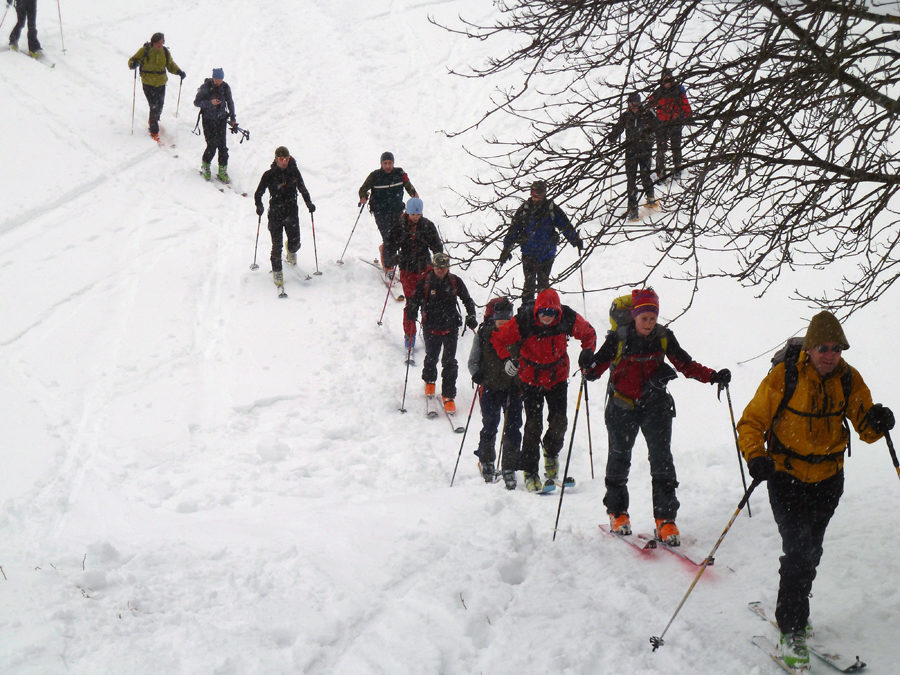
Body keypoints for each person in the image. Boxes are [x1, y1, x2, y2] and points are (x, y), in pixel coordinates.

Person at [737, 310, 894, 671]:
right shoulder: (784, 376)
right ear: (809, 348)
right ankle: (792, 626)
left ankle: (796, 609)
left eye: (836, 348)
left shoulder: (849, 379)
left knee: (812, 551)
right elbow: (751, 422)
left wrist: (879, 421)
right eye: (823, 347)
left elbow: (865, 426)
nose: (829, 354)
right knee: (798, 551)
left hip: (828, 478)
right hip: (786, 476)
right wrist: (756, 456)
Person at [584, 288, 730, 543]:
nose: (649, 324)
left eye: (653, 318)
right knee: (619, 458)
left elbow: (685, 364)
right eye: (644, 319)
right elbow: (597, 367)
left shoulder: (663, 337)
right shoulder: (619, 338)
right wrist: (588, 367)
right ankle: (617, 512)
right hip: (622, 406)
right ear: (635, 316)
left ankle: (665, 520)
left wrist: (713, 376)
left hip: (656, 405)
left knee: (662, 461)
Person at [492, 288, 596, 492]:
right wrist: (505, 359)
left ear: (557, 311)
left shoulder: (567, 317)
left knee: (559, 422)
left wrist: (587, 351)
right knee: (533, 425)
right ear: (537, 310)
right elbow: (498, 339)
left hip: (557, 376)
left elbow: (589, 332)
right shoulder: (524, 321)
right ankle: (530, 470)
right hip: (531, 379)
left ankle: (551, 452)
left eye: (551, 312)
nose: (547, 316)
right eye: (543, 312)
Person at [405, 253, 477, 414]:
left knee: (450, 361)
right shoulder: (426, 281)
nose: (441, 271)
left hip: (451, 327)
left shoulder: (454, 281)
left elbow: (467, 299)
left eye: (444, 268)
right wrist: (411, 310)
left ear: (448, 267)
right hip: (431, 326)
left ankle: (448, 395)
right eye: (438, 268)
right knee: (432, 356)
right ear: (433, 266)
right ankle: (430, 381)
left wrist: (471, 315)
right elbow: (415, 299)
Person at [467, 297, 523, 489]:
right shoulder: (484, 334)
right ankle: (487, 460)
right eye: (500, 323)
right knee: (490, 424)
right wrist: (477, 375)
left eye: (506, 323)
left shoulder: (519, 334)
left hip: (513, 389)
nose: (503, 326)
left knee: (513, 427)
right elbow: (473, 361)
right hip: (490, 388)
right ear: (493, 319)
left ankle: (509, 465)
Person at [498, 181, 583, 302]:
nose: (535, 196)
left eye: (538, 193)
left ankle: (543, 310)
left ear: (544, 194)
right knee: (529, 283)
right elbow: (513, 230)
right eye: (532, 192)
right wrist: (506, 248)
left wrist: (575, 240)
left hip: (547, 254)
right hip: (528, 253)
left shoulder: (551, 209)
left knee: (543, 284)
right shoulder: (524, 210)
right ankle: (527, 311)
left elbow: (565, 225)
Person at [382, 197, 443, 351]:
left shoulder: (427, 225)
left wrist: (439, 264)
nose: (416, 217)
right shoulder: (399, 226)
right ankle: (410, 334)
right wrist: (391, 259)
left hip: (425, 269)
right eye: (413, 214)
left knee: (428, 302)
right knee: (411, 303)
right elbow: (389, 245)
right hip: (407, 270)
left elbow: (437, 246)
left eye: (418, 214)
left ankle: (429, 330)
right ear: (407, 212)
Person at [253, 146, 316, 287]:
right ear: (276, 159)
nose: (284, 162)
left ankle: (291, 249)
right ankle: (277, 271)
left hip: (291, 212)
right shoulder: (269, 175)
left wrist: (309, 203)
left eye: (286, 159)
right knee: (277, 245)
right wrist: (259, 205)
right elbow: (258, 193)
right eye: (281, 159)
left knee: (296, 243)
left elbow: (302, 188)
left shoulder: (294, 172)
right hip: (275, 213)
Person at [357, 152, 418, 263]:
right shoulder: (375, 176)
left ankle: (386, 252)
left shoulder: (399, 173)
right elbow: (363, 189)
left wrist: (415, 196)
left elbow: (408, 186)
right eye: (385, 163)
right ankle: (388, 264)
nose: (388, 166)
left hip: (397, 210)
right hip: (380, 211)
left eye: (390, 163)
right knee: (388, 238)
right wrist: (363, 197)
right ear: (381, 164)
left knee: (398, 237)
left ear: (393, 163)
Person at [607, 92, 659, 221]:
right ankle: (633, 209)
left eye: (637, 104)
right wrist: (612, 137)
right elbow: (618, 129)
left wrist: (654, 136)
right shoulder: (626, 116)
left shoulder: (647, 114)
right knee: (631, 181)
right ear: (629, 104)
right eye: (632, 104)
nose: (635, 106)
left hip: (645, 150)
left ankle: (650, 196)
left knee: (645, 175)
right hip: (630, 151)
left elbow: (657, 127)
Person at [127, 32, 185, 141]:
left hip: (161, 83)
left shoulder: (165, 52)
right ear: (153, 42)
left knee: (160, 105)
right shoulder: (145, 50)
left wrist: (179, 72)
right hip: (148, 82)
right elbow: (132, 59)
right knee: (154, 106)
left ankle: (153, 120)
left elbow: (170, 65)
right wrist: (133, 64)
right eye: (158, 43)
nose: (160, 45)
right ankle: (154, 130)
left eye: (162, 42)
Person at [193, 67, 238, 183]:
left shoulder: (225, 87)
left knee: (222, 146)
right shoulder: (206, 87)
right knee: (212, 144)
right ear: (213, 77)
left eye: (220, 79)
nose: (218, 81)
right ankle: (205, 165)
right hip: (208, 120)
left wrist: (233, 118)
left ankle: (222, 169)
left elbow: (230, 102)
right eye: (216, 78)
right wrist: (210, 103)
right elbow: (196, 102)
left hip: (221, 120)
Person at [649, 68, 692, 184]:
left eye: (668, 78)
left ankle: (678, 168)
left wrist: (688, 115)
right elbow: (650, 104)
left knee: (676, 146)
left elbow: (685, 104)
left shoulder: (678, 90)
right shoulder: (658, 92)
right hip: (662, 123)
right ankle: (660, 172)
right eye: (664, 79)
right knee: (661, 148)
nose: (667, 81)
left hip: (675, 122)